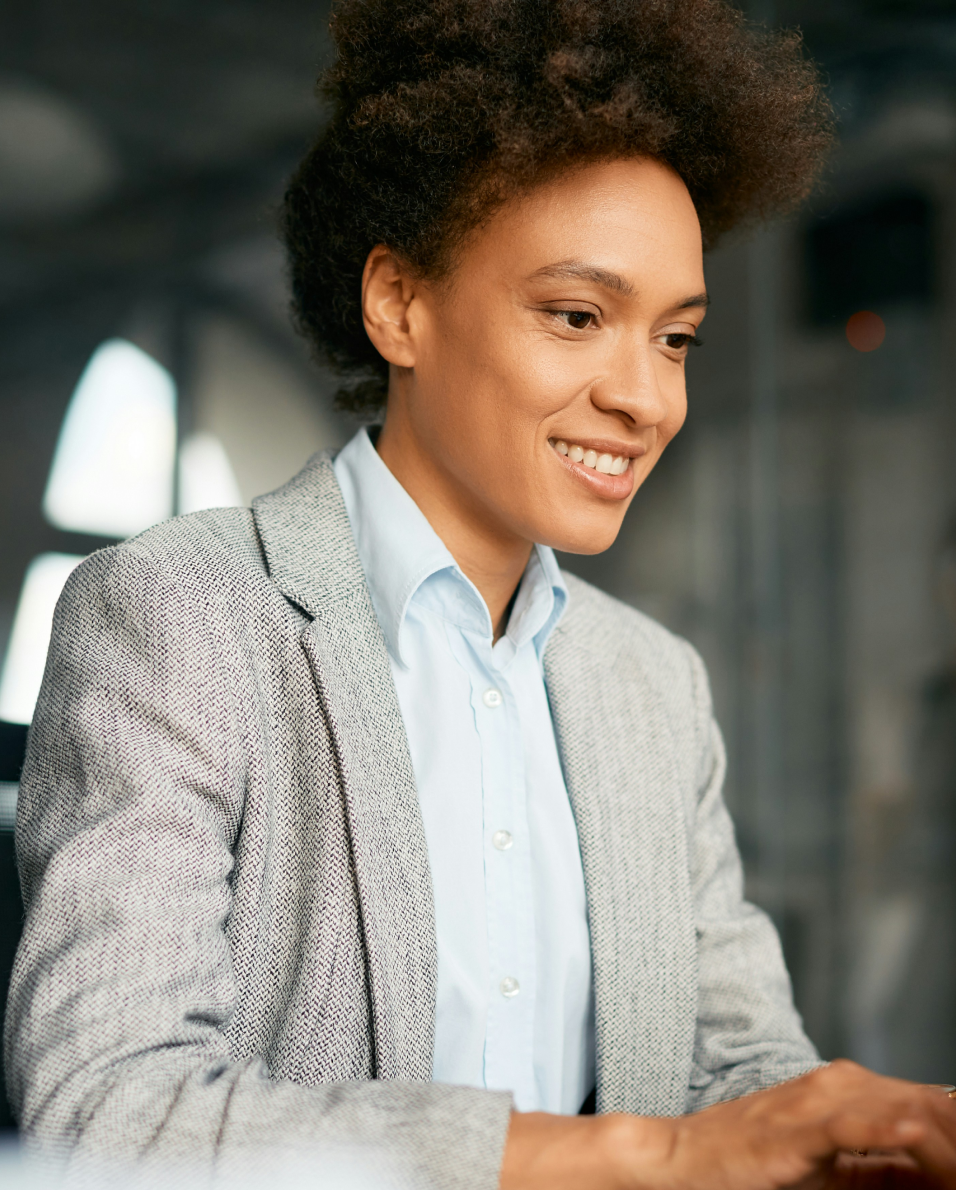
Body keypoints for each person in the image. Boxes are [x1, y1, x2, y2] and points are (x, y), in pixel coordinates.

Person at [6, 0, 956, 1186]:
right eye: (576, 316)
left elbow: (728, 1076)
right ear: (398, 303)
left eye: (674, 338)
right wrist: (646, 1154)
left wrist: (850, 1130)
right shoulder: (178, 615)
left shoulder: (650, 684)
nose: (644, 398)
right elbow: (109, 1107)